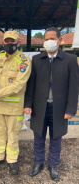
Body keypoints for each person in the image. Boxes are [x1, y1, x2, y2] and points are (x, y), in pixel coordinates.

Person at [24, 27, 79, 181]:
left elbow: (74, 87)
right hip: (39, 108)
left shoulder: (70, 59)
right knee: (38, 137)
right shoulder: (36, 59)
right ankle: (38, 163)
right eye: (46, 39)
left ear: (59, 41)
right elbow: (31, 86)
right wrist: (28, 104)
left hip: (59, 109)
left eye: (52, 39)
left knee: (56, 138)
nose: (49, 42)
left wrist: (71, 108)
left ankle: (53, 165)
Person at [0, 30, 31, 175]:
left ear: (18, 43)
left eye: (13, 41)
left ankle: (12, 160)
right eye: (7, 41)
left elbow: (18, 85)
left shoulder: (24, 61)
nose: (9, 44)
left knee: (12, 135)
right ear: (3, 42)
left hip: (14, 106)